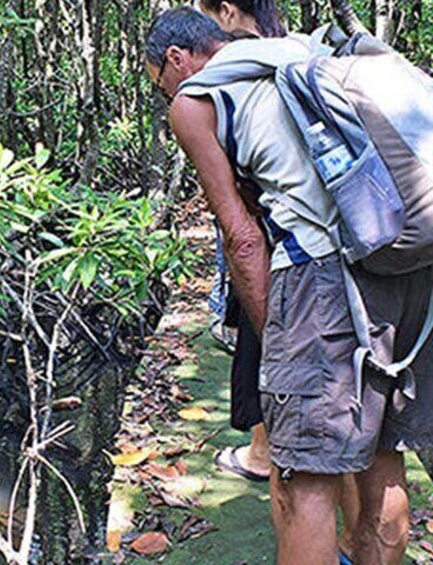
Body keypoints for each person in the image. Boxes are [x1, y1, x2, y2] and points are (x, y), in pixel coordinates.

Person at [144, 8, 433, 564]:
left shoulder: (194, 99)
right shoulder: (298, 53)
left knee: (305, 484)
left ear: (177, 59)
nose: (166, 95)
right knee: (382, 454)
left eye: (160, 82)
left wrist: (274, 338)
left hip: (322, 274)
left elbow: (242, 238)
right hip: (407, 263)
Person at [199, 0, 285, 485]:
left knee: (262, 335)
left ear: (228, 12)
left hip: (278, 233)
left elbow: (242, 231)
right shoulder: (293, 53)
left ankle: (262, 453)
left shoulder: (233, 69)